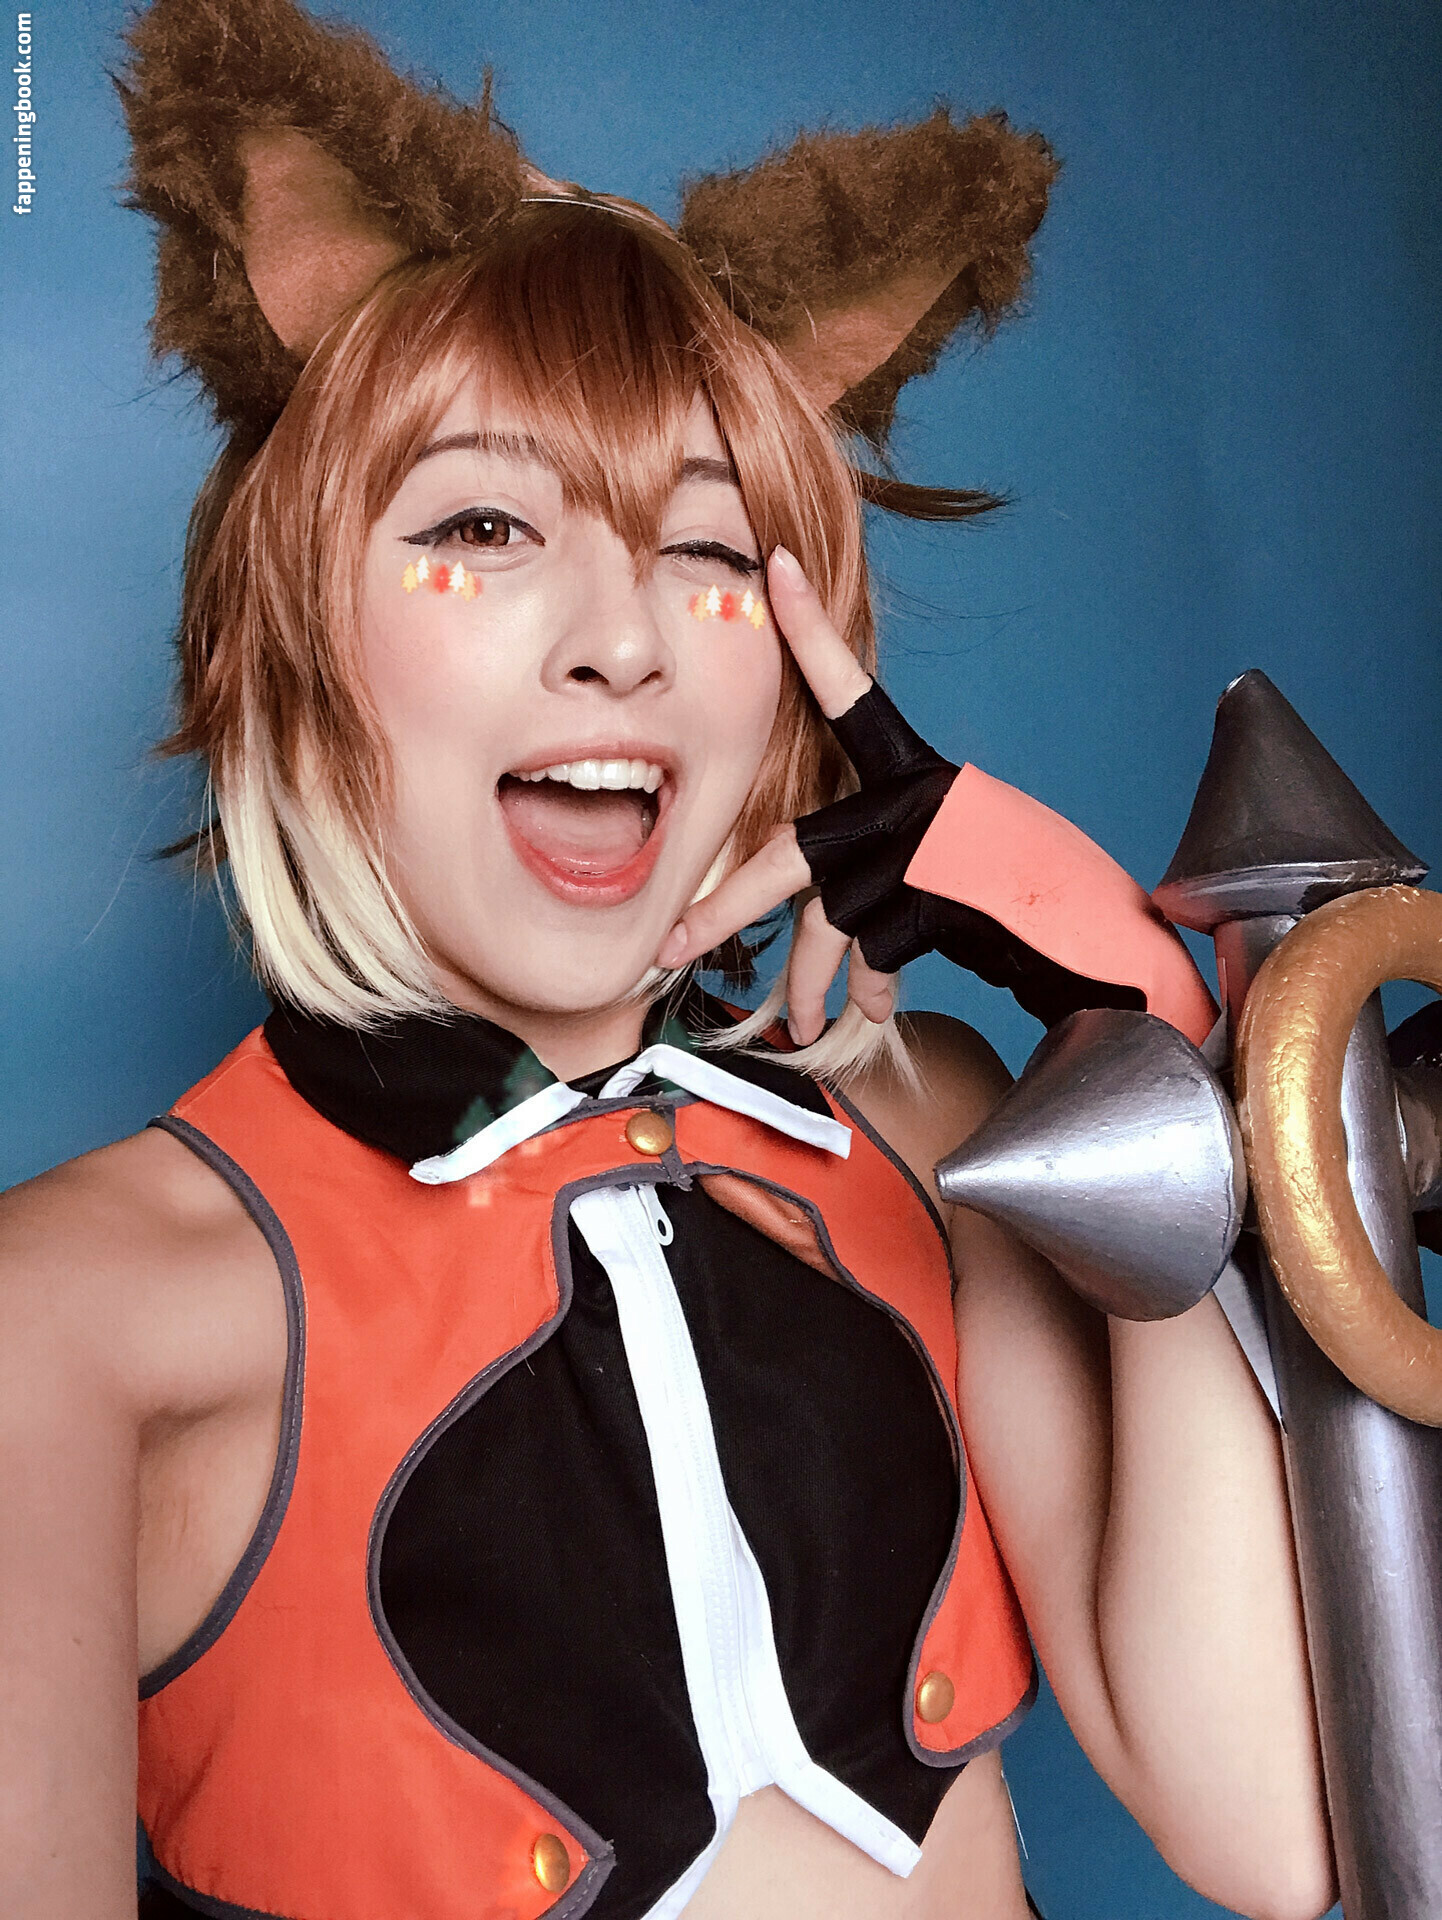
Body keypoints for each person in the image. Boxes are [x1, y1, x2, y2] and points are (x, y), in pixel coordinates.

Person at [0, 3, 1336, 1917]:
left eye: (708, 554)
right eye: (482, 524)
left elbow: (1274, 1836)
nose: (619, 639)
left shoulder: (942, 1134)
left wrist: (1140, 1024)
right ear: (284, 639)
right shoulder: (60, 1313)